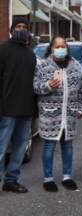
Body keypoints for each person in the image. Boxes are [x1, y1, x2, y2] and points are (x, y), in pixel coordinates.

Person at [33, 36, 82, 192]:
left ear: (67, 48)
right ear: (51, 48)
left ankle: (67, 176)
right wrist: (48, 85)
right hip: (50, 115)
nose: (61, 49)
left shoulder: (75, 66)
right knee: (49, 146)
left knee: (67, 146)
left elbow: (81, 90)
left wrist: (79, 107)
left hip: (69, 115)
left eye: (63, 46)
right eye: (57, 46)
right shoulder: (43, 66)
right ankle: (48, 178)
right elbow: (36, 87)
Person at [0, 17, 37, 193]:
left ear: (28, 31)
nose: (21, 29)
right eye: (18, 26)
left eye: (24, 27)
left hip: (26, 109)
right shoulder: (3, 50)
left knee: (20, 150)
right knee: (1, 148)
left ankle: (11, 180)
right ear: (11, 29)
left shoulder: (30, 54)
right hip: (7, 110)